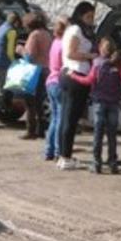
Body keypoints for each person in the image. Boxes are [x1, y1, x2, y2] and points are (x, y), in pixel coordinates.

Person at [72, 38, 121, 174]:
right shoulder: (118, 64)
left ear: (101, 49)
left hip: (99, 102)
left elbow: (88, 80)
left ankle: (96, 163)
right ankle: (112, 163)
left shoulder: (97, 63)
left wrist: (73, 76)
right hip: (114, 103)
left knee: (98, 134)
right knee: (112, 134)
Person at [57, 1, 97, 171]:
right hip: (75, 76)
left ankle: (63, 154)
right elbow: (71, 53)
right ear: (80, 15)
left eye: (92, 16)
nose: (90, 20)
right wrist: (90, 56)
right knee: (70, 118)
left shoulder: (78, 30)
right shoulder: (75, 30)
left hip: (72, 75)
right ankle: (65, 156)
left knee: (67, 117)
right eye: (88, 16)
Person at [20, 12, 52, 140]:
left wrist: (21, 50)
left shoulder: (34, 35)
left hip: (34, 71)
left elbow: (30, 56)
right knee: (39, 101)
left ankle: (30, 130)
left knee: (30, 102)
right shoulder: (47, 34)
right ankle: (41, 129)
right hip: (45, 69)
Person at [43, 18, 68, 161]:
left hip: (50, 81)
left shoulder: (54, 43)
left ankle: (49, 150)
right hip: (59, 81)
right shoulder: (64, 45)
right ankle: (59, 150)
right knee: (60, 118)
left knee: (54, 118)